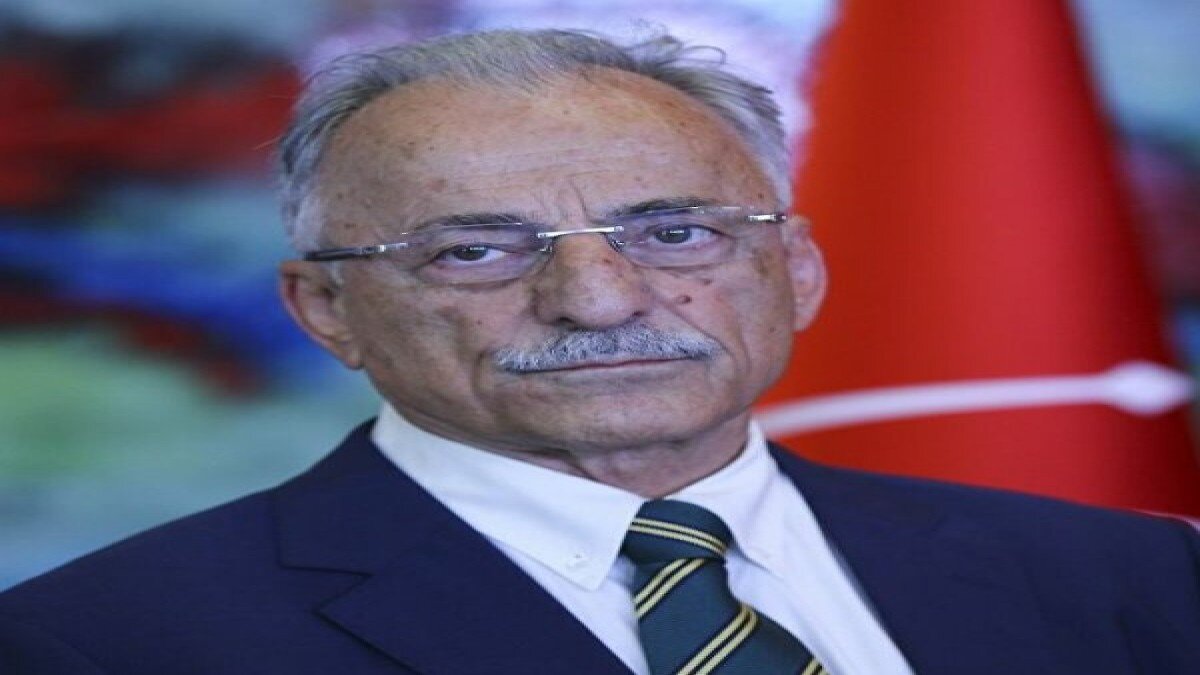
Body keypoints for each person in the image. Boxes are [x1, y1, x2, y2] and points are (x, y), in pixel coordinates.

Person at [1, 28, 1198, 675]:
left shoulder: (1136, 582)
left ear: (797, 270)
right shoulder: (103, 646)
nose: (598, 299)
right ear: (326, 310)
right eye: (475, 250)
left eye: (674, 233)